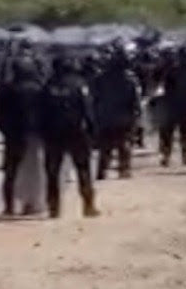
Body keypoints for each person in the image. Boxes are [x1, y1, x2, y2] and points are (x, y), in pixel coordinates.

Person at [40, 53, 99, 218]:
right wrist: (93, 131)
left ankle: (54, 208)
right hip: (77, 132)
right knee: (83, 169)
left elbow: (40, 112)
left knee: (52, 172)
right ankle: (88, 205)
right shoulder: (79, 85)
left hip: (53, 133)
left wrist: (42, 132)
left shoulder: (47, 86)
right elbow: (88, 109)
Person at [0, 56, 44, 215]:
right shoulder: (39, 89)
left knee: (11, 172)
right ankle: (33, 203)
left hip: (13, 135)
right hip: (34, 135)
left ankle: (9, 206)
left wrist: (4, 130)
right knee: (33, 171)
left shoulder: (7, 90)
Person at [93, 44, 141, 181]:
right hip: (124, 117)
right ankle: (124, 169)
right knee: (124, 144)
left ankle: (102, 171)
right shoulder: (130, 79)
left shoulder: (101, 78)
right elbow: (135, 100)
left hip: (105, 116)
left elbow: (94, 97)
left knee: (105, 145)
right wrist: (136, 115)